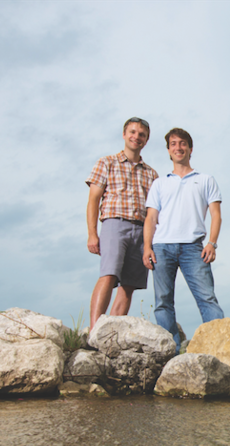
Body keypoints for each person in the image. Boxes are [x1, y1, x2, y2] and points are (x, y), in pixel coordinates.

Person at [142, 127, 223, 350]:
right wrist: (147, 247)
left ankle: (219, 346)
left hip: (193, 248)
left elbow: (216, 215)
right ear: (169, 150)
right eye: (174, 144)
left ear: (190, 148)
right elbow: (150, 219)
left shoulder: (206, 179)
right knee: (163, 302)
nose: (178, 147)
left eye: (182, 143)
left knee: (207, 298)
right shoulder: (159, 183)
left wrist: (212, 243)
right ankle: (172, 351)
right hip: (161, 247)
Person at [86, 117, 158, 330]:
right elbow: (93, 200)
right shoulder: (106, 162)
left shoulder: (152, 174)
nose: (137, 137)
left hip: (142, 230)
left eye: (142, 134)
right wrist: (92, 233)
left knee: (129, 285)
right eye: (133, 132)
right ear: (125, 134)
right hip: (114, 224)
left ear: (146, 140)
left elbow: (154, 211)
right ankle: (94, 330)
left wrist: (150, 242)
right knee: (108, 274)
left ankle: (110, 333)